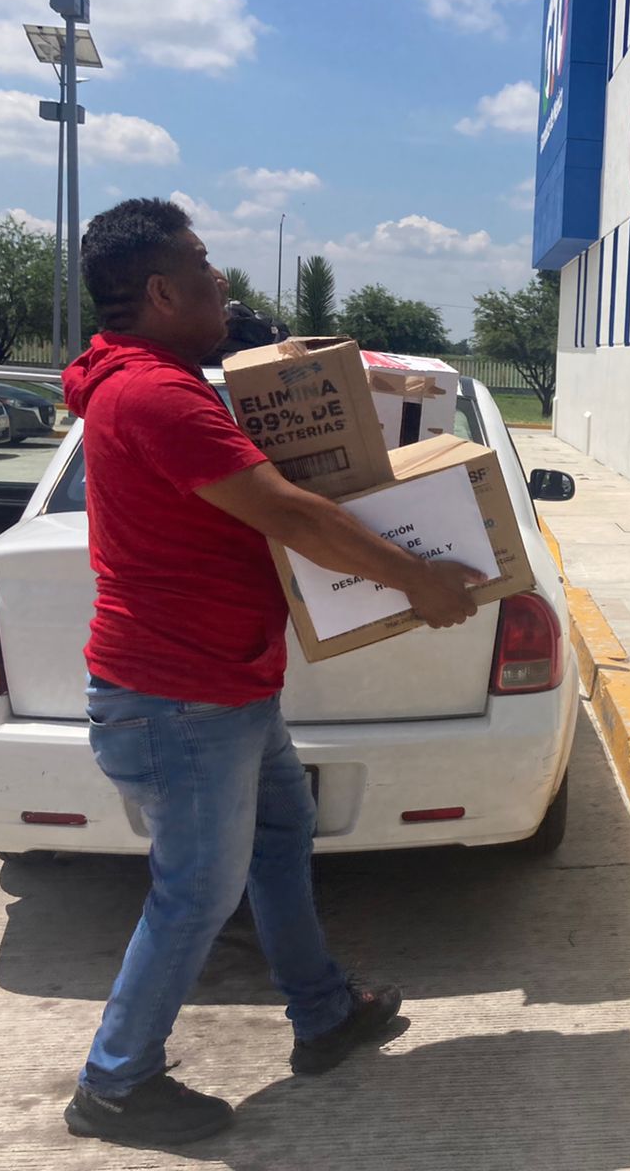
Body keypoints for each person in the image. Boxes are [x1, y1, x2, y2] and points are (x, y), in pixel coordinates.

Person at [61, 198, 485, 1148]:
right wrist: (418, 578)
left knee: (281, 840)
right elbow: (288, 512)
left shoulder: (155, 382)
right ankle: (114, 1085)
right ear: (161, 290)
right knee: (195, 894)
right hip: (178, 699)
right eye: (202, 263)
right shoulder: (155, 397)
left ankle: (324, 1012)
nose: (221, 279)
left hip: (225, 686)